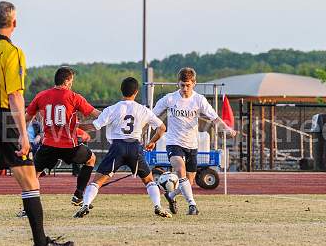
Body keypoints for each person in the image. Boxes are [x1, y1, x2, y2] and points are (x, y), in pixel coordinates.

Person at [0, 1, 74, 246]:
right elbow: (14, 96)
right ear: (14, 24)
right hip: (4, 119)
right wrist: (23, 133)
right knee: (30, 183)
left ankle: (42, 244)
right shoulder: (13, 52)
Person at [74, 77, 171, 218]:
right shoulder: (143, 110)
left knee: (97, 181)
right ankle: (158, 206)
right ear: (136, 92)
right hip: (135, 147)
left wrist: (77, 126)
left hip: (117, 147)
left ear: (121, 91)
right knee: (149, 181)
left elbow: (95, 126)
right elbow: (162, 128)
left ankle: (85, 205)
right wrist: (152, 141)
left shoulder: (112, 109)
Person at [153, 67, 237, 215]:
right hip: (174, 142)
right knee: (180, 170)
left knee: (189, 182)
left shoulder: (199, 100)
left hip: (192, 144)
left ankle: (170, 195)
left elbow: (215, 118)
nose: (185, 88)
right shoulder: (170, 99)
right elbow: (151, 114)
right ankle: (192, 205)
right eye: (182, 85)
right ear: (177, 84)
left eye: (188, 85)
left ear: (194, 84)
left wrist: (227, 129)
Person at [26, 66, 101, 206]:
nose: (72, 84)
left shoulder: (41, 95)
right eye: (71, 80)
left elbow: (26, 117)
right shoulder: (74, 97)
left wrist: (22, 135)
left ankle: (29, 208)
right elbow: (96, 113)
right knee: (91, 159)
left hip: (48, 144)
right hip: (69, 145)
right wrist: (113, 116)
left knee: (34, 174)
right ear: (66, 81)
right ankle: (78, 195)